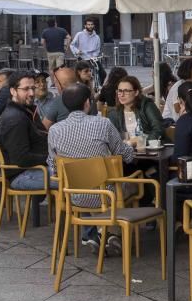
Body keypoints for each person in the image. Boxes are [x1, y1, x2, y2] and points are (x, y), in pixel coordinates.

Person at [48, 83, 135, 255]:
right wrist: (131, 146)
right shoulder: (103, 123)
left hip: (73, 195)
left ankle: (101, 234)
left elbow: (53, 166)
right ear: (88, 103)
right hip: (106, 194)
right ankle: (110, 232)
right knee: (134, 185)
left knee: (90, 184)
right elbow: (124, 155)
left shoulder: (54, 130)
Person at [0, 71, 52, 191]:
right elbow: (21, 159)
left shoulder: (26, 111)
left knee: (73, 172)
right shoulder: (15, 118)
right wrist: (51, 159)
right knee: (72, 177)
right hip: (21, 175)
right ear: (13, 91)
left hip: (33, 170)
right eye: (26, 89)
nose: (31, 93)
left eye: (33, 88)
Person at [108, 76, 165, 143]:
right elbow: (112, 137)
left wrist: (140, 141)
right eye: (120, 91)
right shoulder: (114, 113)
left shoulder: (147, 105)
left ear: (136, 92)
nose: (122, 95)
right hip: (125, 151)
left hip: (150, 149)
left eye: (126, 91)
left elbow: (158, 129)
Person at [162, 57, 192, 122]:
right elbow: (177, 109)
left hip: (188, 120)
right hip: (171, 123)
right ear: (188, 70)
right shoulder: (178, 86)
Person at [70, 19, 105, 84]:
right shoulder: (79, 34)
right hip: (82, 58)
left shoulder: (97, 37)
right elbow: (72, 45)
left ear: (94, 25)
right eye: (88, 25)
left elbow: (97, 49)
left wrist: (94, 56)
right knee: (80, 75)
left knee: (103, 73)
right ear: (85, 26)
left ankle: (99, 87)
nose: (90, 26)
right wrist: (77, 51)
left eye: (91, 24)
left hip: (93, 59)